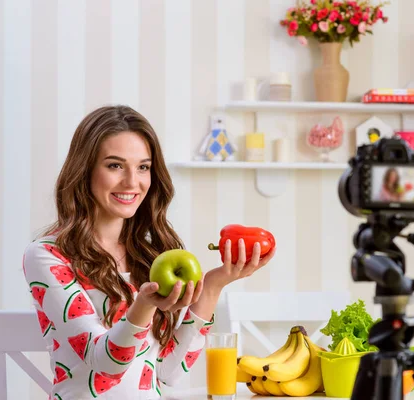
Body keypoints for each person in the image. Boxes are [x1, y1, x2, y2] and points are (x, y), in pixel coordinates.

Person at [22, 105, 276, 399]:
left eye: (143, 167)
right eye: (115, 165)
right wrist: (143, 304)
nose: (133, 182)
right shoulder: (48, 256)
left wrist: (213, 286)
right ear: (85, 169)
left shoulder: (151, 254)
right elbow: (105, 365)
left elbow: (168, 374)